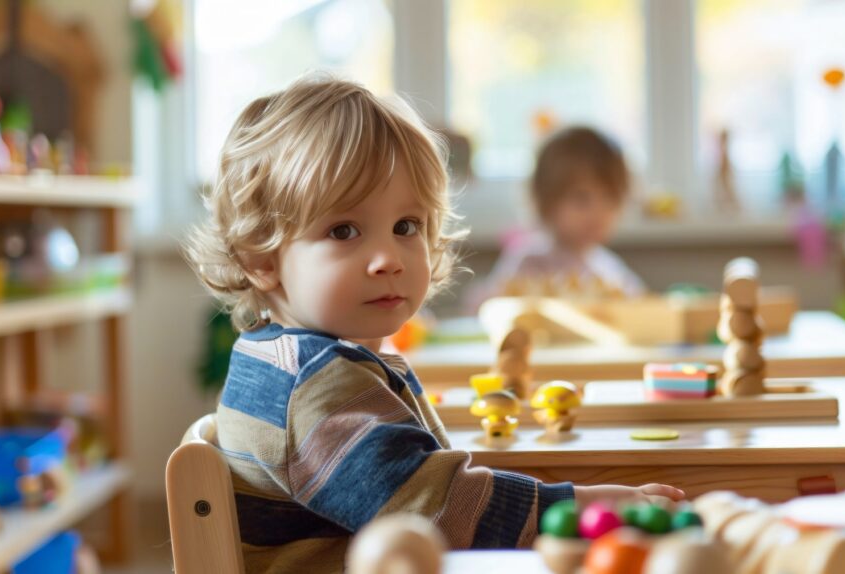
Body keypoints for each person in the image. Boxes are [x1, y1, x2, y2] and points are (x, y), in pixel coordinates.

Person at [184, 75, 683, 573]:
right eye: (343, 230)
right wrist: (578, 506)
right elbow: (432, 510)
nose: (388, 258)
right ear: (260, 260)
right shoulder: (316, 384)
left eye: (407, 227)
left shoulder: (277, 356)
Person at [468, 126, 646, 309]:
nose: (598, 213)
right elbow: (490, 307)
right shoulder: (529, 262)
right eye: (581, 198)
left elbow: (640, 307)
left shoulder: (609, 269)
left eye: (610, 198)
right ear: (547, 199)